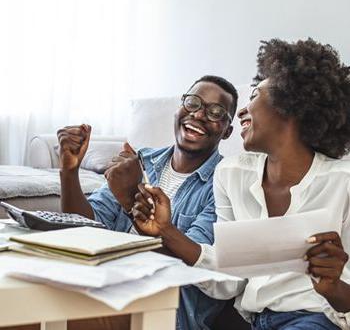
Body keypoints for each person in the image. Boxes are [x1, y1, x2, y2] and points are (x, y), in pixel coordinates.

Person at [135, 39, 350, 329]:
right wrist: (166, 232)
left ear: (289, 106)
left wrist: (332, 286)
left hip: (313, 318)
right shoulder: (231, 173)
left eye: (254, 95)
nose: (241, 112)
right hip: (247, 319)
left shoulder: (343, 183)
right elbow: (230, 278)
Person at [57, 75, 238, 330]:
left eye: (216, 112)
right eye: (193, 103)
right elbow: (84, 226)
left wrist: (130, 199)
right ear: (180, 107)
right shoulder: (143, 160)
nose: (198, 115)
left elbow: (193, 262)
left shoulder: (225, 183)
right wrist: (69, 172)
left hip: (166, 313)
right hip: (105, 286)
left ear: (227, 131)